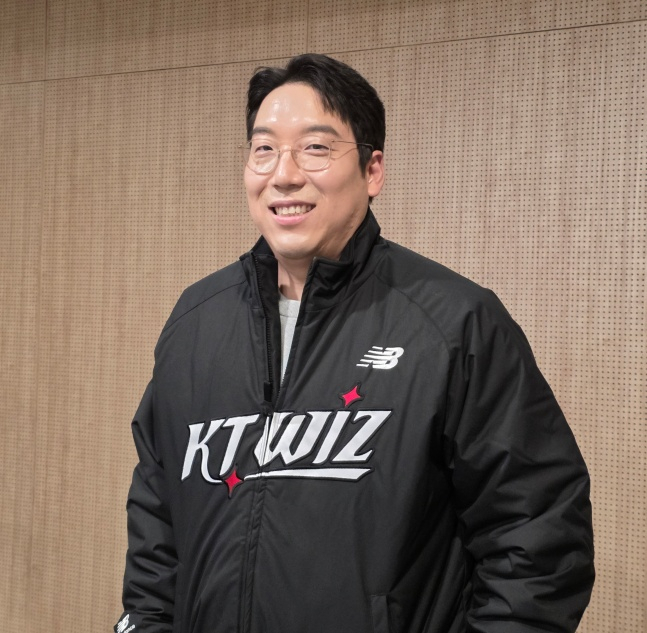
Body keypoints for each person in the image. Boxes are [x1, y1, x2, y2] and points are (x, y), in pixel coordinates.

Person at [115, 54, 594, 633]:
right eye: (264, 149)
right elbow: (157, 525)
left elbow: (538, 537)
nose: (284, 174)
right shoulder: (196, 323)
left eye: (315, 148)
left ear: (372, 170)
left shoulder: (452, 324)